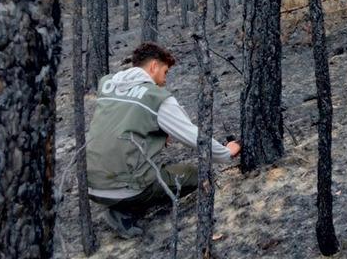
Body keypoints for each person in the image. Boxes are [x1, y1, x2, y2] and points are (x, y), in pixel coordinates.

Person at [86, 42, 241, 237]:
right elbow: (195, 137)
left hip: (90, 184)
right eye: (165, 72)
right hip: (125, 188)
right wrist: (226, 153)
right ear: (153, 66)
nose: (165, 80)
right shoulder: (157, 97)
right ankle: (124, 210)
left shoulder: (107, 84)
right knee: (198, 175)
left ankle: (120, 202)